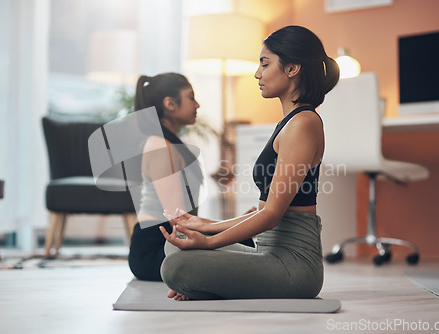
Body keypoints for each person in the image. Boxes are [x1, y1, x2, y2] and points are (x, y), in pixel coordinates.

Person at [159, 25, 340, 300]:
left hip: (294, 267)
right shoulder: (290, 122)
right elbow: (260, 210)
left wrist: (208, 242)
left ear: (292, 68)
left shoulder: (304, 123)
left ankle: (204, 284)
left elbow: (271, 216)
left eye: (265, 64)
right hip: (267, 253)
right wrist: (203, 225)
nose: (258, 73)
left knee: (176, 266)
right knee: (178, 245)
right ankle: (206, 285)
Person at [128, 73, 254, 281]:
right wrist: (238, 225)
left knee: (243, 241)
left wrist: (241, 224)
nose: (197, 105)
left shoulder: (172, 145)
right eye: (191, 97)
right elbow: (178, 220)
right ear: (169, 104)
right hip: (155, 249)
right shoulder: (159, 146)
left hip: (172, 237)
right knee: (244, 243)